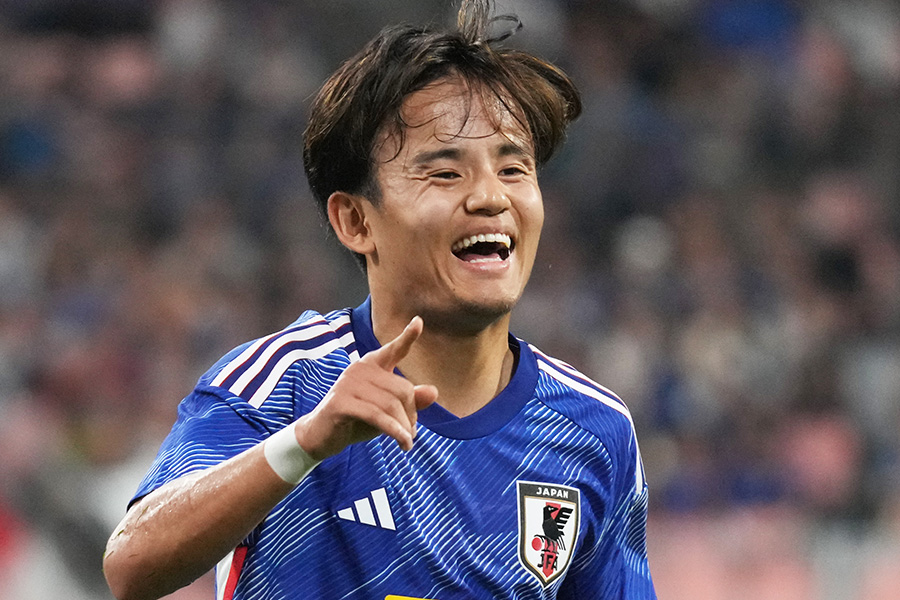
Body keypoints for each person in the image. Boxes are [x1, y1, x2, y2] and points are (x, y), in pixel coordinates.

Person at [102, 1, 656, 598]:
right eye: (445, 173)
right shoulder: (285, 384)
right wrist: (307, 442)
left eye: (514, 170)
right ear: (356, 221)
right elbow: (132, 564)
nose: (491, 198)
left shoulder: (593, 430)